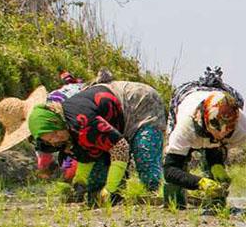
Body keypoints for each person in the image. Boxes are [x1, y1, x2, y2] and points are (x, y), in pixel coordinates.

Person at [19, 80, 166, 205]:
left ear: (58, 122)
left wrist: (110, 188)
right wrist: (80, 182)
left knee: (147, 163)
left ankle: (162, 195)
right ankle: (116, 192)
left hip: (140, 103)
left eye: (56, 133)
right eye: (50, 139)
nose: (56, 139)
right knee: (94, 187)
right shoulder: (66, 131)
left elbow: (120, 147)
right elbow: (87, 153)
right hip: (113, 123)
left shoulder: (81, 123)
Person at [163, 67, 246, 207]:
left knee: (215, 165)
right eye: (217, 130)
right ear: (205, 121)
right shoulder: (186, 125)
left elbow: (216, 147)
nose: (222, 134)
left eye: (227, 132)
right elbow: (170, 170)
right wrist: (199, 183)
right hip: (185, 95)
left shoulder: (242, 129)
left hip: (224, 94)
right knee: (180, 166)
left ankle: (216, 203)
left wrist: (217, 166)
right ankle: (175, 203)